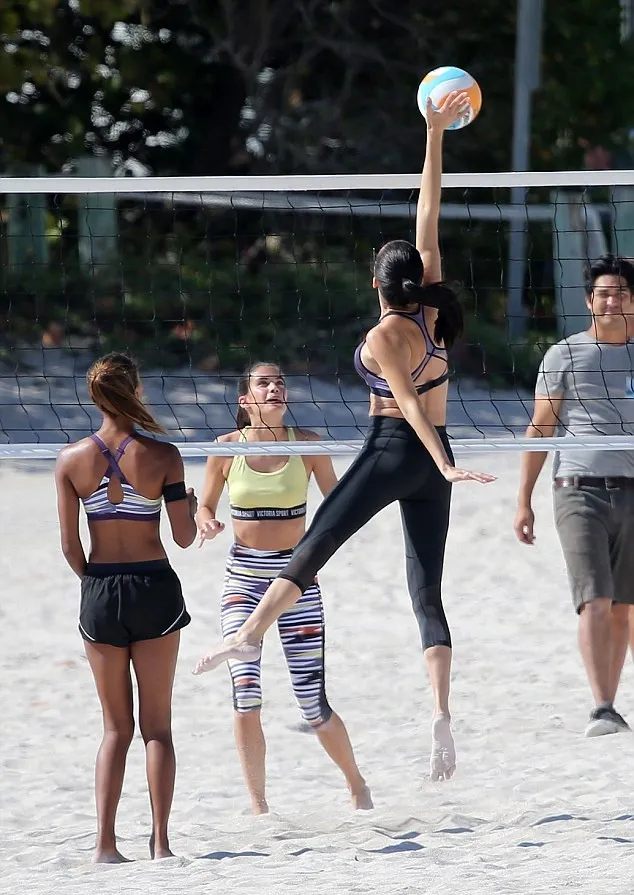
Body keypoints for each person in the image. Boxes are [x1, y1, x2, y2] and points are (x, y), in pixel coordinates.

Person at [192, 90, 496, 783]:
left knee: (314, 545)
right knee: (427, 591)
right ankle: (440, 713)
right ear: (417, 277)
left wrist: (443, 463)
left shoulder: (384, 333)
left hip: (396, 451)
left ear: (374, 284)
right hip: (435, 457)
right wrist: (435, 135)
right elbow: (428, 210)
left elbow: (407, 405)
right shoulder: (435, 309)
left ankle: (248, 634)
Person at [195, 361, 372, 814]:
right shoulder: (225, 449)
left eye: (279, 382)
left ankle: (357, 786)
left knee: (312, 703)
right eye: (263, 383)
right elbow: (204, 506)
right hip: (243, 581)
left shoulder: (308, 445)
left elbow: (338, 507)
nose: (274, 387)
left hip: (296, 580)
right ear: (245, 399)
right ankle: (259, 806)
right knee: (246, 695)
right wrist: (207, 520)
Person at [54, 352, 198, 863]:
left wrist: (95, 587)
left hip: (100, 589)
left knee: (116, 729)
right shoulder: (164, 456)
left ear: (95, 398)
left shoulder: (70, 460)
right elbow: (184, 538)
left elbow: (70, 546)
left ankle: (105, 845)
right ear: (136, 391)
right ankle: (160, 844)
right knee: (157, 728)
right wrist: (191, 506)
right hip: (153, 587)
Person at [513, 254, 634, 737]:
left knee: (625, 607)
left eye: (621, 293)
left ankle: (612, 706)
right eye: (603, 294)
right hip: (578, 489)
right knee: (596, 600)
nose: (612, 301)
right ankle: (601, 706)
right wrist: (524, 499)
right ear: (589, 301)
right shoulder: (564, 355)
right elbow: (540, 427)